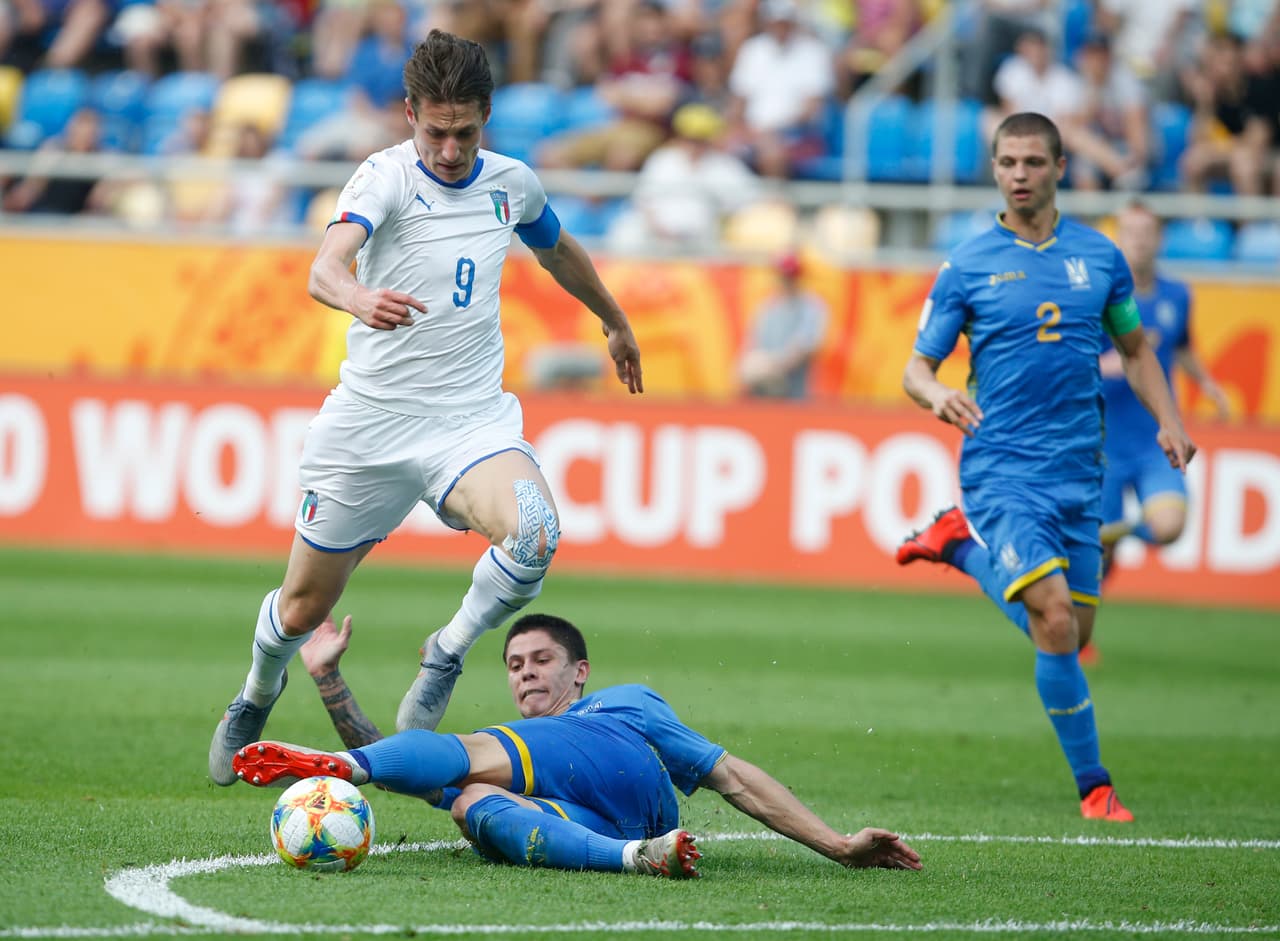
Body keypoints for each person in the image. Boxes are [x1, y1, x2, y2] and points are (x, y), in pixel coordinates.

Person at [207, 29, 644, 787]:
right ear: (411, 114)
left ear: (487, 118)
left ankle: (446, 649)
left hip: (467, 422)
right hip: (369, 426)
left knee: (537, 531)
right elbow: (325, 267)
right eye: (434, 132)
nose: (448, 149)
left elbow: (556, 246)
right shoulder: (383, 179)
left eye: (464, 133)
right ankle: (257, 689)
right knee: (303, 607)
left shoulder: (511, 183)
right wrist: (358, 296)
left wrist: (613, 318)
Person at [894, 112, 1195, 822]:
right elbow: (915, 368)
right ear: (994, 170)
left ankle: (959, 546)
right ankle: (1095, 786)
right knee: (1054, 618)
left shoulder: (1102, 257)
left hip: (1078, 471)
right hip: (1001, 468)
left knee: (1070, 633)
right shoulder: (968, 263)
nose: (1019, 175)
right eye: (1007, 163)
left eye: (1033, 162)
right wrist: (937, 393)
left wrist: (1170, 420)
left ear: (1061, 167)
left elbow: (1137, 348)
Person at [231, 611, 924, 878]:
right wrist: (326, 677)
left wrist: (836, 844)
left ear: (579, 671)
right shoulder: (507, 752)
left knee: (471, 757)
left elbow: (731, 776)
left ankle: (343, 767)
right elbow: (414, 769)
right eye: (512, 665)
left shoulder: (624, 702)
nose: (525, 671)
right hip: (589, 822)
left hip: (628, 773)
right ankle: (633, 860)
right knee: (470, 800)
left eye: (539, 659)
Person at [1099, 201, 1229, 575]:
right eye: (1130, 234)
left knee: (1170, 527)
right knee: (1096, 566)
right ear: (1118, 239)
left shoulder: (1178, 295)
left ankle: (1119, 534)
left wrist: (1206, 383)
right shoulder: (1100, 298)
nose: (1138, 242)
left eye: (1146, 234)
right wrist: (1116, 364)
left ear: (1159, 239)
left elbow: (1182, 345)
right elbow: (1069, 362)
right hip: (1102, 443)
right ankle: (1081, 631)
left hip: (1156, 438)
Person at [737, 252, 829, 399]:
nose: (784, 281)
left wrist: (773, 367)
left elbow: (805, 347)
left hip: (794, 392)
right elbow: (751, 345)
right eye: (782, 276)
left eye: (789, 277)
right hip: (762, 390)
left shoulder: (811, 307)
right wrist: (748, 369)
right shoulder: (767, 307)